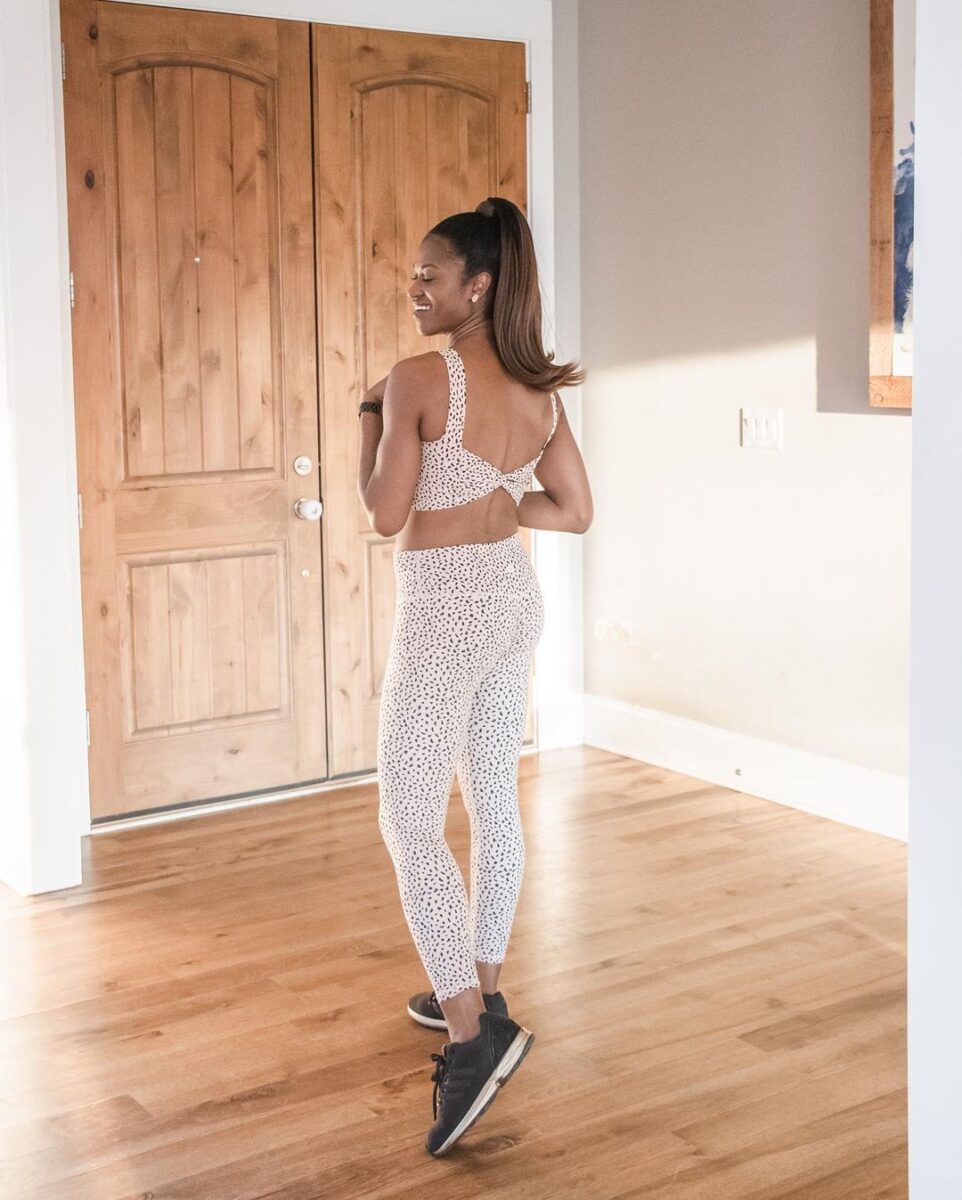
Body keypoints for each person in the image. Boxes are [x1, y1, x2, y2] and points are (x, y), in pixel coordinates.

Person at [357, 196, 592, 1156]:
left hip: (447, 610)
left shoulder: (417, 379)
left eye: (430, 275)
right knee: (493, 800)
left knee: (408, 818)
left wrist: (369, 417)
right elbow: (573, 510)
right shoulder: (540, 392)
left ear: (479, 284)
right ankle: (482, 986)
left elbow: (384, 511)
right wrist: (497, 496)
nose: (414, 288)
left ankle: (468, 1037)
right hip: (511, 599)